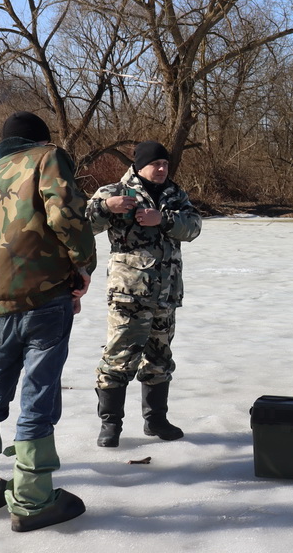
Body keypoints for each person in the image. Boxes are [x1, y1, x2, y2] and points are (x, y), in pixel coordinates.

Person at [0, 111, 96, 532]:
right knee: (37, 394)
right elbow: (65, 214)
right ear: (41, 138)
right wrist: (84, 264)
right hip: (43, 295)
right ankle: (33, 500)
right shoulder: (47, 157)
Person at [87, 141, 202, 448]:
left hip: (166, 294)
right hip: (129, 294)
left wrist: (162, 219)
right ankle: (110, 424)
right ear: (139, 165)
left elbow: (193, 227)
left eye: (166, 164)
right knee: (118, 358)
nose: (162, 169)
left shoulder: (176, 195)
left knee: (160, 359)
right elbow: (81, 224)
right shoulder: (114, 192)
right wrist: (104, 208)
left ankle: (156, 420)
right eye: (156, 164)